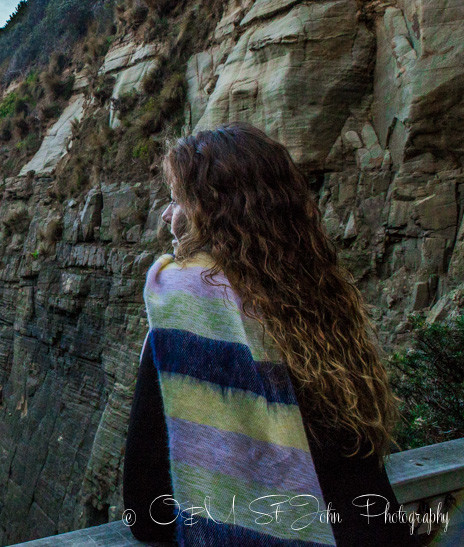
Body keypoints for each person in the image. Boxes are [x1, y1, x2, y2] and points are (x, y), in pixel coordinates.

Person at [121, 123, 419, 545]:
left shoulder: (186, 309)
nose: (167, 215)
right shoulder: (320, 298)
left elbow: (145, 510)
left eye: (177, 199)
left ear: (211, 209)